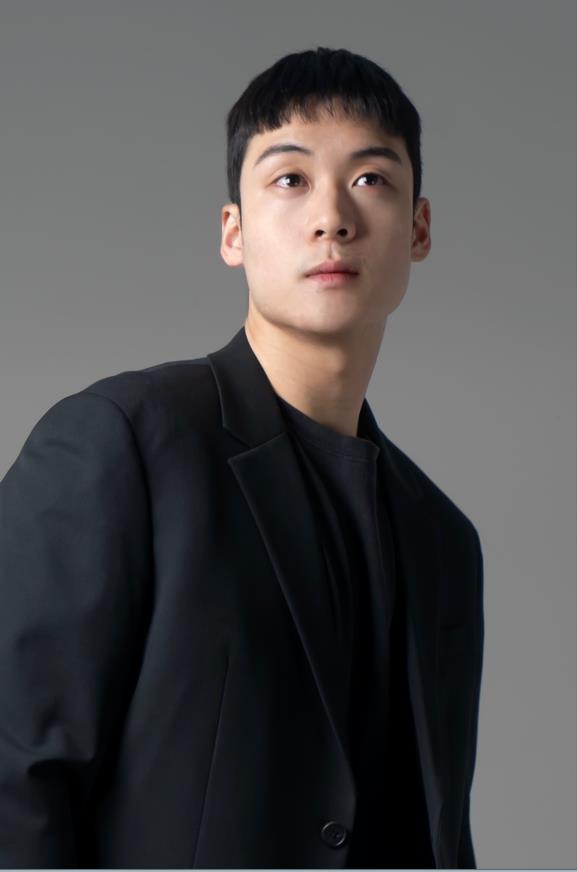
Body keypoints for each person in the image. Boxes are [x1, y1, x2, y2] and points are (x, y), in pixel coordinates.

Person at [0, 46, 484, 869]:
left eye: (370, 179)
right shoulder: (121, 442)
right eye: (289, 179)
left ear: (419, 229)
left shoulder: (441, 537)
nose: (331, 217)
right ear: (233, 232)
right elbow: (14, 783)